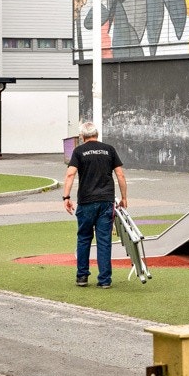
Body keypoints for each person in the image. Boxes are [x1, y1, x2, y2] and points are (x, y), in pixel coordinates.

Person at [62, 121, 128, 288]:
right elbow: (120, 175)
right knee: (104, 240)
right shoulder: (109, 149)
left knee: (84, 238)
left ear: (82, 137)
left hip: (86, 201)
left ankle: (82, 277)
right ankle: (105, 280)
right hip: (106, 201)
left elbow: (70, 175)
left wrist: (66, 197)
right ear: (97, 134)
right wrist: (124, 197)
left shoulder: (79, 151)